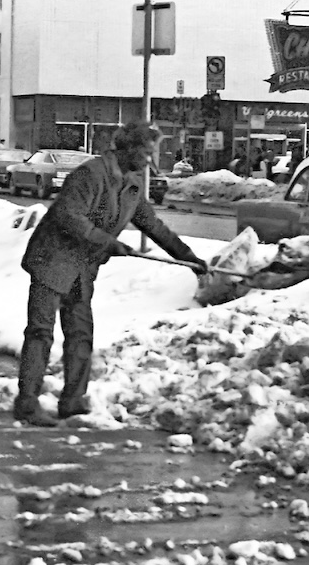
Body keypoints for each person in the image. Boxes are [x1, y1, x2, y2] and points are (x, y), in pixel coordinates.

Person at [15, 121, 208, 426]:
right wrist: (107, 242)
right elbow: (68, 216)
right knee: (40, 332)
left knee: (80, 334)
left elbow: (155, 226)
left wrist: (190, 258)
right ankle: (27, 405)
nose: (150, 160)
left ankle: (72, 401)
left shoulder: (131, 187)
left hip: (82, 267)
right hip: (51, 259)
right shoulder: (91, 174)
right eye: (146, 152)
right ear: (127, 148)